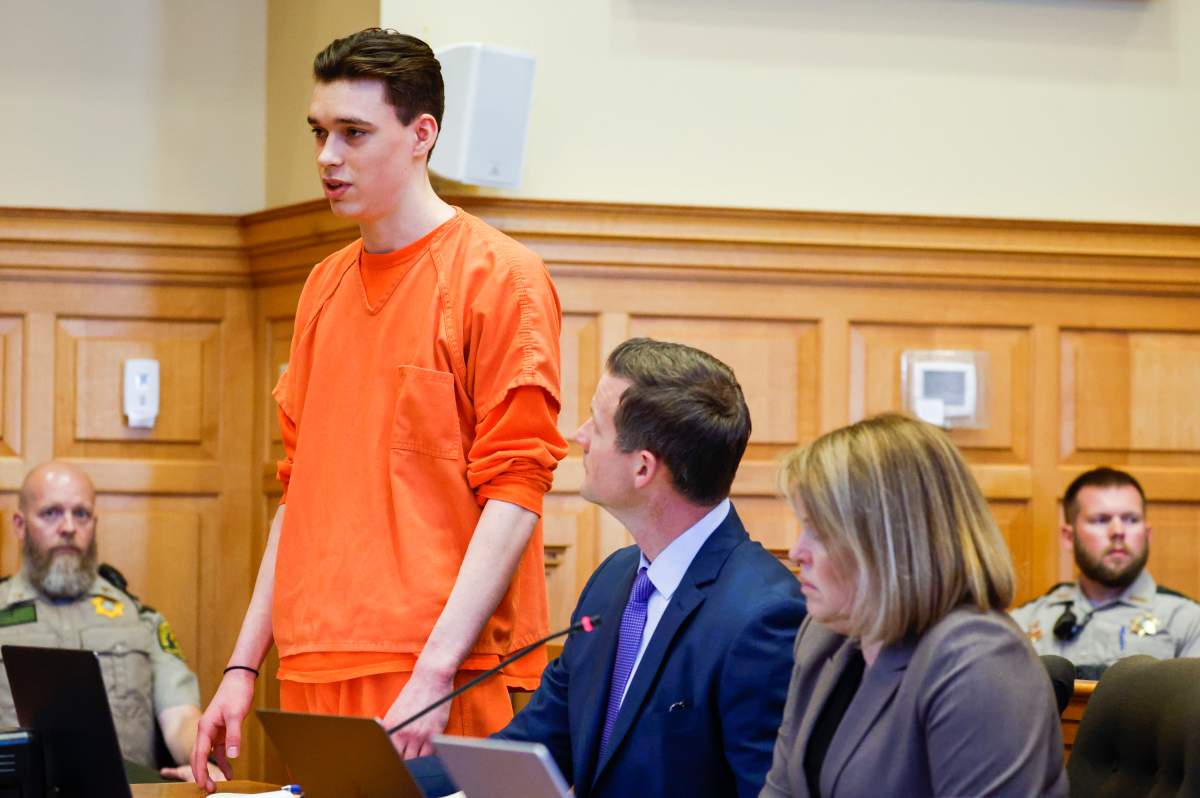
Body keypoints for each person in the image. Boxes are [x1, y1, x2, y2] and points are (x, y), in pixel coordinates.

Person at [191, 28, 567, 789]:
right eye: (319, 133)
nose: (328, 156)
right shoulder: (321, 288)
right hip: (317, 665)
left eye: (353, 133)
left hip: (446, 672)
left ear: (420, 135)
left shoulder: (501, 277)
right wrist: (241, 665)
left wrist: (435, 675)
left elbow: (516, 494)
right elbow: (298, 495)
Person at [478, 338, 806, 798]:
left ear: (643, 469)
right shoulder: (612, 580)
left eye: (597, 422)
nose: (580, 434)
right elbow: (538, 744)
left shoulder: (764, 617)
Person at [762, 414, 1066, 798]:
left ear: (887, 543)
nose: (796, 552)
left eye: (818, 531)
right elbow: (782, 790)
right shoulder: (823, 636)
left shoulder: (978, 662)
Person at [0, 462, 218, 783]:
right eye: (51, 513)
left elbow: (181, 716)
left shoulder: (140, 619)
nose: (69, 527)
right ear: (20, 525)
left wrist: (201, 761)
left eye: (82, 514)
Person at [1011, 466, 1200, 679]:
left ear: (1147, 534)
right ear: (1068, 537)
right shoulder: (1024, 622)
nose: (1118, 531)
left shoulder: (1188, 621)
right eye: (1101, 520)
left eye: (1131, 519)